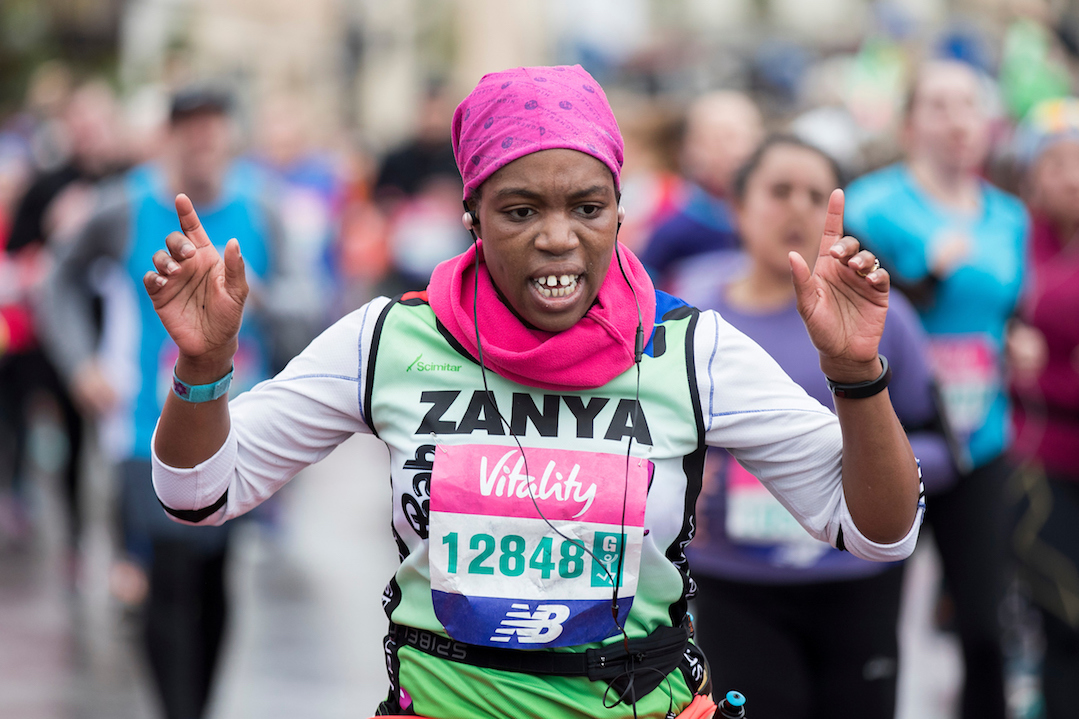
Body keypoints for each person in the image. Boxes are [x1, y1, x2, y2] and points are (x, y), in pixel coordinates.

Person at [145, 65, 923, 719]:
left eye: (587, 207)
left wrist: (855, 372)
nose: (557, 237)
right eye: (521, 211)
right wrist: (204, 365)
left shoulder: (691, 349)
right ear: (471, 216)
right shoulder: (387, 339)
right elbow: (199, 490)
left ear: (618, 212)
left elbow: (879, 529)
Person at [35, 85, 303, 719]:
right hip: (142, 427)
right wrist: (81, 364)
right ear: (169, 135)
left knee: (214, 573)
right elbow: (57, 281)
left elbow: (306, 300)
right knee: (171, 566)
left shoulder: (263, 207)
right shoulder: (123, 207)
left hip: (236, 422)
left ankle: (197, 705)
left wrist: (261, 303)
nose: (202, 137)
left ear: (230, 133)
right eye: (188, 125)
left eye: (213, 123)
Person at [680, 136, 955, 719]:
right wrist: (695, 475)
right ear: (739, 206)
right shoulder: (695, 316)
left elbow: (944, 448)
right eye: (780, 191)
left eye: (816, 195)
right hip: (734, 583)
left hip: (855, 578)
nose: (798, 209)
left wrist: (856, 466)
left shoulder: (877, 314)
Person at [844, 59, 1029, 719]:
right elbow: (852, 306)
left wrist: (1017, 336)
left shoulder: (1008, 215)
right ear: (909, 123)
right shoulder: (870, 204)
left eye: (968, 105)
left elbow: (1004, 308)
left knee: (983, 624)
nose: (957, 121)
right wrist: (924, 273)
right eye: (939, 106)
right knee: (875, 628)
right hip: (892, 438)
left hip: (981, 440)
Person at [1007, 97, 1079, 719]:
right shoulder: (1012, 238)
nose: (1073, 177)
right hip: (1041, 458)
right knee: (1064, 620)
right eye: (1057, 163)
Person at [640, 91, 763, 286]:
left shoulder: (773, 219)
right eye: (720, 140)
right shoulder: (671, 227)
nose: (737, 151)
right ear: (689, 149)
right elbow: (639, 291)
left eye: (746, 137)